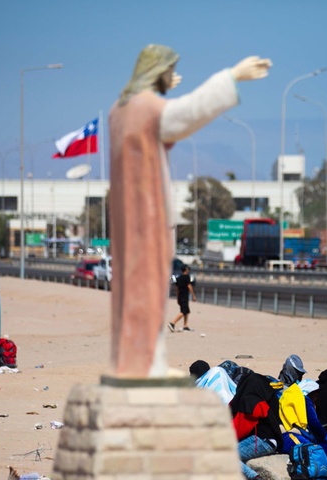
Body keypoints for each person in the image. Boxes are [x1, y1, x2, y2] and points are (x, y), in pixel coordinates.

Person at [108, 44, 271, 377]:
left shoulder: (122, 107)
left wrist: (158, 89)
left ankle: (145, 361)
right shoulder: (142, 108)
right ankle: (143, 365)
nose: (172, 75)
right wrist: (231, 76)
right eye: (168, 71)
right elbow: (186, 113)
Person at [169, 264, 197, 332]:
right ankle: (172, 323)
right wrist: (193, 295)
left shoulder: (179, 278)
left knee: (186, 311)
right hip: (184, 296)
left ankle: (185, 325)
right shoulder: (186, 277)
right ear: (186, 269)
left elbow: (177, 288)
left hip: (180, 296)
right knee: (183, 311)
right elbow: (189, 286)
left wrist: (177, 297)